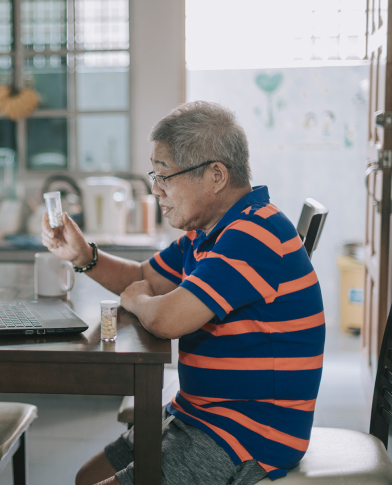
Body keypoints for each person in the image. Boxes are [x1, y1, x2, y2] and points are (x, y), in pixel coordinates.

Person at [41, 101, 325, 485]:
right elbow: (144, 276)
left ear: (216, 176)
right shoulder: (208, 231)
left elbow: (166, 319)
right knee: (86, 477)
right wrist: (83, 255)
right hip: (198, 412)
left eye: (165, 176)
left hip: (245, 432)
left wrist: (136, 301)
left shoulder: (255, 234)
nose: (156, 190)